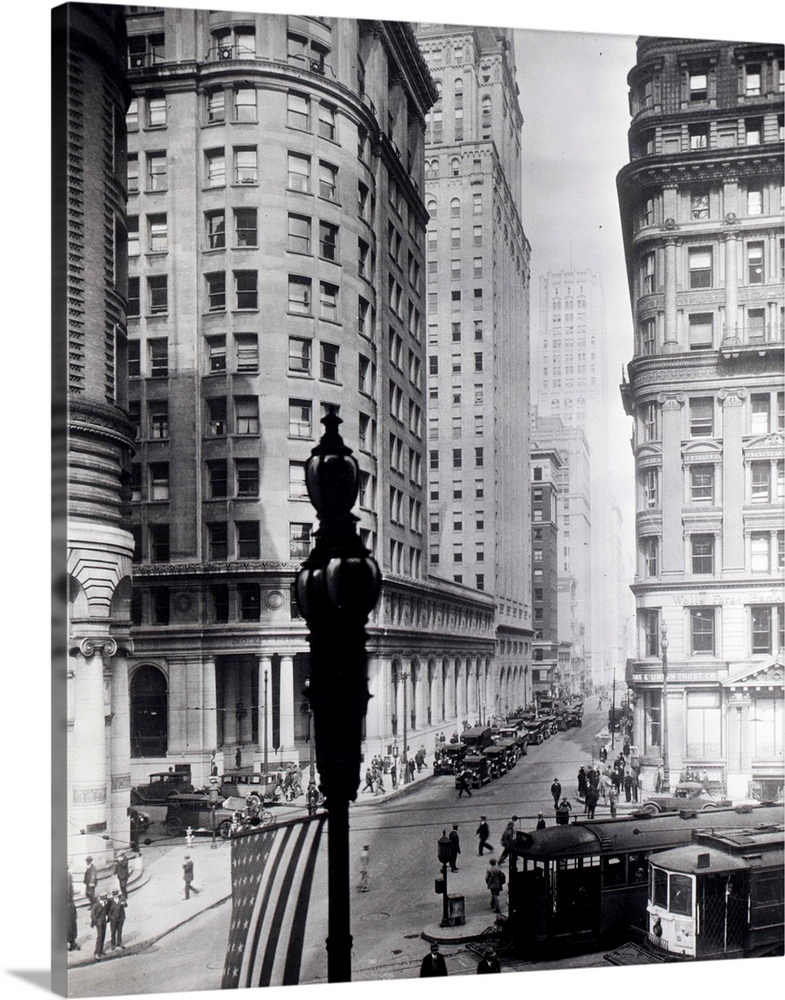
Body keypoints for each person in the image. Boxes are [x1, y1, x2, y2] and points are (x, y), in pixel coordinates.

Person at [90, 894, 108, 960]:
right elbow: (92, 915)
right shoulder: (96, 905)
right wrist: (96, 921)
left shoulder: (105, 904)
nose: (105, 900)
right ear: (101, 899)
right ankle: (96, 952)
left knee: (103, 936)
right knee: (100, 936)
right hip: (99, 923)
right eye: (104, 899)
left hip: (104, 922)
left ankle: (100, 950)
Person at [67, 866, 80, 952]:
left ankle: (72, 943)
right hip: (68, 905)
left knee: (69, 925)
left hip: (67, 905)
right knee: (70, 925)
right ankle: (72, 943)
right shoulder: (68, 876)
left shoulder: (67, 876)